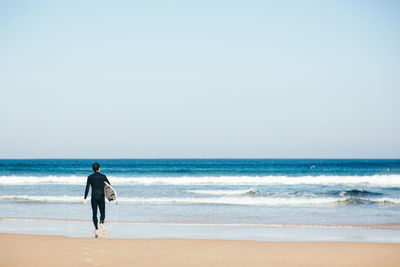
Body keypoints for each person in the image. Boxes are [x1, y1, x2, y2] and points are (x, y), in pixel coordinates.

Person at [83, 162, 110, 238]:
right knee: (102, 212)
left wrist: (85, 198)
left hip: (94, 197)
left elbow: (87, 188)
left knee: (94, 213)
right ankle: (101, 222)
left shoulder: (90, 177)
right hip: (101, 196)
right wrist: (110, 197)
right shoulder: (103, 176)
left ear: (93, 169)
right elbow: (109, 186)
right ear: (99, 168)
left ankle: (96, 229)